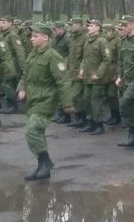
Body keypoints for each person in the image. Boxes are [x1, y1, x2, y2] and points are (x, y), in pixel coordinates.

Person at [17, 24, 75, 181]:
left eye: (36, 36)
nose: (32, 39)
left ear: (45, 38)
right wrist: (22, 87)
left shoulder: (52, 55)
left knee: (32, 130)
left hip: (47, 99)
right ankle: (43, 165)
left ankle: (45, 162)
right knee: (37, 132)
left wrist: (67, 104)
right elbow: (25, 74)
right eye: (31, 36)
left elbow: (63, 80)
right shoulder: (33, 54)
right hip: (33, 99)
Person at [114, 15, 134, 147]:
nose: (123, 28)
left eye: (125, 25)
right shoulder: (123, 41)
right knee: (127, 105)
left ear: (133, 25)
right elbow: (120, 60)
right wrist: (119, 76)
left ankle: (133, 130)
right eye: (122, 25)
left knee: (125, 103)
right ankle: (133, 133)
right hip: (125, 79)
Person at [78, 19, 111, 135]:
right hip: (87, 77)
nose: (88, 27)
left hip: (97, 78)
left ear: (97, 28)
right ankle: (90, 122)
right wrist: (81, 69)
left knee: (96, 101)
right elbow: (84, 58)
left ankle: (99, 124)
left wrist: (98, 74)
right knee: (87, 99)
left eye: (91, 26)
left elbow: (107, 60)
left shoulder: (102, 41)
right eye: (88, 26)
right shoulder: (87, 41)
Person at [66, 18, 89, 128]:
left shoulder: (85, 37)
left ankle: (83, 117)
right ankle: (79, 117)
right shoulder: (72, 38)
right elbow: (70, 55)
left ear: (80, 25)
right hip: (72, 70)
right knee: (74, 96)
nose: (72, 27)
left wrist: (82, 69)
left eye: (74, 24)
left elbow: (86, 56)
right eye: (71, 25)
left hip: (80, 71)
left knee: (78, 95)